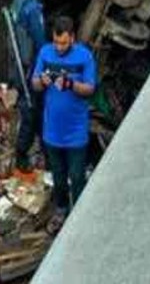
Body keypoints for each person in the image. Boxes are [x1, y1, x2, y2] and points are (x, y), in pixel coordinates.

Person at [29, 16, 97, 228]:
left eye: (64, 43)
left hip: (76, 131)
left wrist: (70, 84)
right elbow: (34, 83)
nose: (59, 47)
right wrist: (42, 81)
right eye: (56, 42)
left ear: (73, 39)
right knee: (58, 177)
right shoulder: (45, 52)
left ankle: (79, 215)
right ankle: (61, 210)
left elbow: (90, 88)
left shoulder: (84, 56)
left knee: (76, 177)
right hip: (52, 131)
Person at [8, 0, 48, 180]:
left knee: (31, 111)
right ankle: (22, 158)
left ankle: (36, 155)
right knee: (33, 113)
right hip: (31, 69)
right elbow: (41, 44)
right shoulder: (32, 8)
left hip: (20, 67)